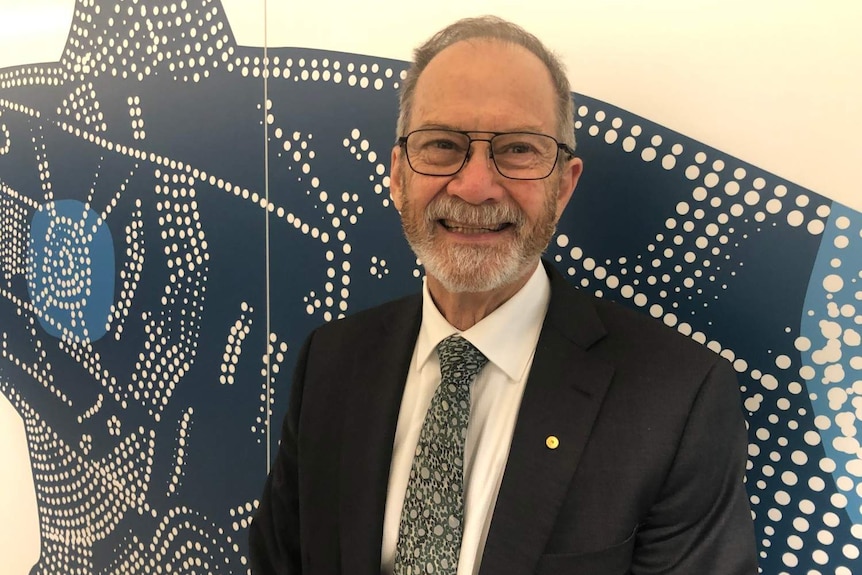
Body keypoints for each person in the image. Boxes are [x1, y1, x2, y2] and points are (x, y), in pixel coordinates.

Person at [249, 15, 758, 575]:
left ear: (564, 185)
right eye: (442, 145)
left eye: (518, 149)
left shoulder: (678, 400)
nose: (475, 186)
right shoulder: (331, 360)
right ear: (397, 176)